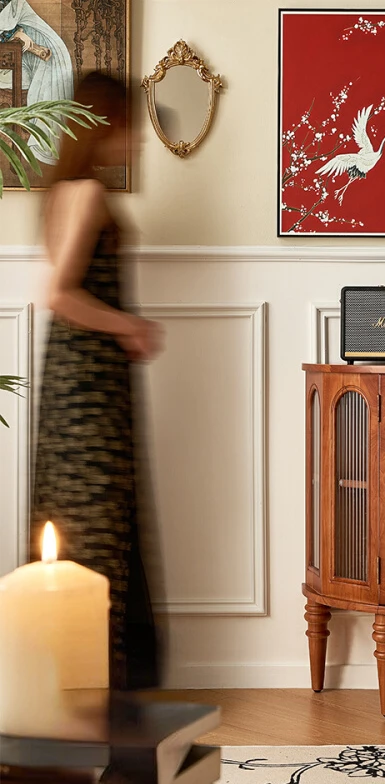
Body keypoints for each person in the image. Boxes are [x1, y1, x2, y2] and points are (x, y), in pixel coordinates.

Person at [32, 71, 163, 692]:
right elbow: (58, 294)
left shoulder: (61, 190)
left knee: (84, 528)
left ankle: (71, 689)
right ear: (106, 124)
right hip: (87, 391)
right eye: (132, 126)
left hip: (76, 385)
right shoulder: (84, 192)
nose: (137, 140)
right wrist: (129, 326)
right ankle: (99, 693)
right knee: (99, 535)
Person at [0, 0, 74, 163]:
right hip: (25, 48)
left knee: (50, 82)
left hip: (45, 50)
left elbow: (6, 22)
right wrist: (16, 33)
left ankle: (45, 140)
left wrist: (16, 33)